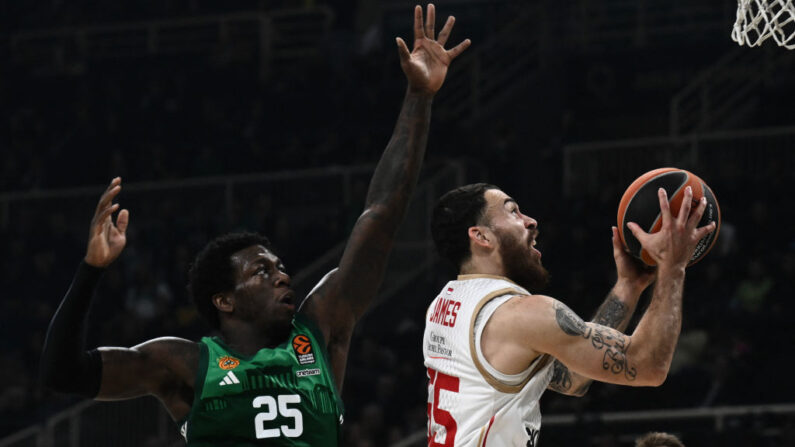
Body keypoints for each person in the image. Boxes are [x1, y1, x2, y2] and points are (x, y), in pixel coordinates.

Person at [40, 5, 470, 446]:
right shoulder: (185, 363)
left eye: (279, 267)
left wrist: (419, 97)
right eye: (261, 272)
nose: (282, 275)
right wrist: (91, 270)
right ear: (224, 300)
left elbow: (381, 213)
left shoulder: (320, 329)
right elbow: (62, 373)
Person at [423, 183, 716, 446]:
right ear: (481, 236)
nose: (530, 221)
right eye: (513, 212)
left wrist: (629, 286)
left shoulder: (446, 304)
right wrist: (673, 265)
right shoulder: (522, 315)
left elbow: (573, 378)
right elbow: (648, 365)